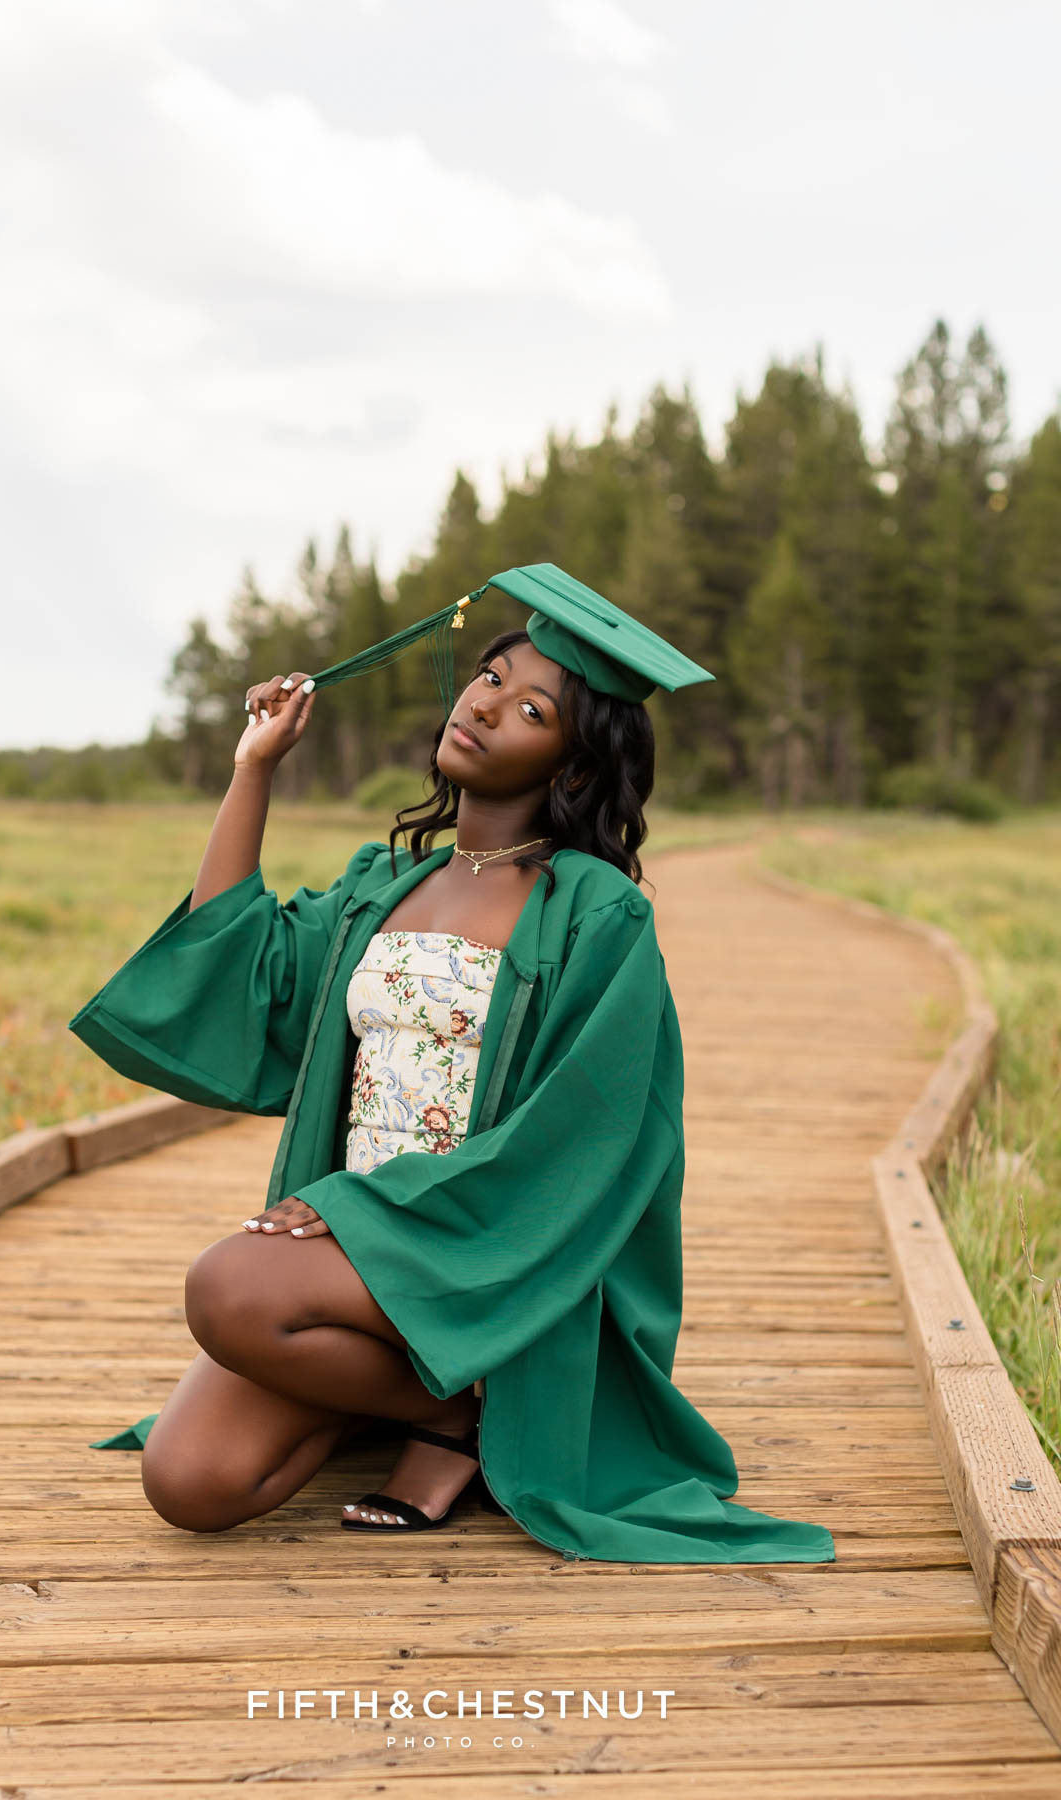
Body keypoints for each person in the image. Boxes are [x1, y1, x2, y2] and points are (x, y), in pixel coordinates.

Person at [71, 564, 835, 1564]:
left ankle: (474, 1406)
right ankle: (444, 1408)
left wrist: (353, 1211)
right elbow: (244, 964)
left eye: (529, 708)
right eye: (490, 675)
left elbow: (580, 1135)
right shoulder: (383, 882)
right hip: (342, 1262)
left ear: (570, 767)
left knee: (226, 1288)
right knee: (190, 1482)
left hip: (476, 1250)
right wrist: (253, 769)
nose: (484, 703)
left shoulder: (598, 915)